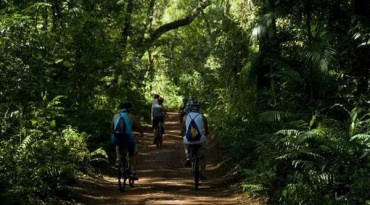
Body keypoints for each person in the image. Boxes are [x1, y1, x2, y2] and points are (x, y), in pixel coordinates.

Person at [111, 101, 144, 180]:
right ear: (129, 109)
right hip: (128, 138)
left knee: (117, 144)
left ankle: (118, 159)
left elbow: (112, 128)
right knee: (134, 153)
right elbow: (139, 128)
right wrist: (141, 133)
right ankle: (132, 172)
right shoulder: (132, 116)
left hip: (116, 137)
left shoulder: (115, 116)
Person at [180, 99, 209, 181]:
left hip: (188, 140)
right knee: (203, 157)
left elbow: (182, 130)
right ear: (198, 108)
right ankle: (203, 173)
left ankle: (187, 156)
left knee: (184, 140)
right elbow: (206, 129)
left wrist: (182, 134)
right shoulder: (202, 117)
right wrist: (206, 133)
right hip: (200, 139)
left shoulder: (185, 117)